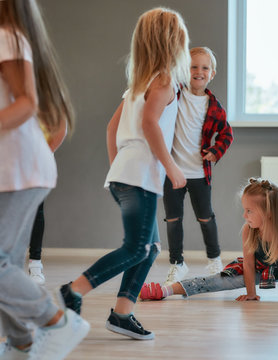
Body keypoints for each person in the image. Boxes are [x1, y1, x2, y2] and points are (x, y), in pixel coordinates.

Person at [56, 7, 190, 341]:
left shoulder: (138, 85)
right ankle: (73, 290)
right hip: (138, 177)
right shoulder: (165, 82)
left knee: (150, 248)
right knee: (136, 248)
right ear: (176, 42)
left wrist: (118, 168)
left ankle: (122, 313)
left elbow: (111, 128)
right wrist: (171, 167)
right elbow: (149, 125)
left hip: (126, 174)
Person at [0, 0, 89, 358]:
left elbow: (27, 103)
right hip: (12, 170)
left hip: (22, 168)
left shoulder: (7, 36)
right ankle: (21, 342)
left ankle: (57, 322)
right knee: (5, 263)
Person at [140, 178, 278, 302]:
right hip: (259, 269)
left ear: (268, 212)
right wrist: (251, 293)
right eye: (244, 210)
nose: (245, 216)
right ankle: (166, 290)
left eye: (249, 211)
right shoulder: (249, 230)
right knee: (216, 281)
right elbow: (250, 264)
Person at [163, 46, 233, 286]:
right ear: (185, 69)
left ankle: (214, 260)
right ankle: (177, 263)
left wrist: (215, 151)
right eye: (193, 67)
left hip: (199, 172)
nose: (199, 72)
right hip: (172, 171)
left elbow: (226, 134)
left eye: (204, 68)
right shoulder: (175, 94)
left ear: (212, 73)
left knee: (206, 217)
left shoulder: (213, 106)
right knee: (173, 219)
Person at [28, 115, 69, 285]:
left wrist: (44, 152)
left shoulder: (46, 91)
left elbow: (61, 124)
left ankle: (35, 264)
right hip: (9, 159)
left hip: (36, 163)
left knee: (36, 211)